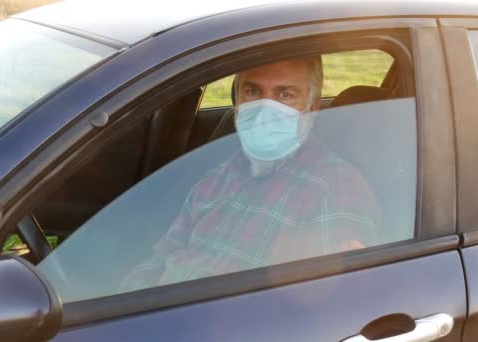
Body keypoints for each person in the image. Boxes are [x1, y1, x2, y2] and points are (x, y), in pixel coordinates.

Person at [119, 56, 379, 292]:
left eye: (285, 95)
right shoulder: (218, 176)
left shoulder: (333, 189)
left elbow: (320, 314)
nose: (266, 110)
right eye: (253, 91)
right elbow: (160, 259)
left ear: (311, 108)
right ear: (237, 103)